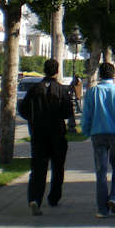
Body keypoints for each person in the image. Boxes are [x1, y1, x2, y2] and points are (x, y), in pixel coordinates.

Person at [18, 59, 74, 216]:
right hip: (57, 133)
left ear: (44, 70)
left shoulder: (35, 89)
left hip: (39, 133)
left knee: (38, 168)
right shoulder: (61, 90)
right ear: (57, 71)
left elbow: (23, 109)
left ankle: (35, 198)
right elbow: (67, 112)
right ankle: (54, 197)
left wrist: (33, 119)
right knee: (58, 167)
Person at [82, 63, 115, 218]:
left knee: (101, 171)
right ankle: (114, 197)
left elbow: (86, 116)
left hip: (97, 134)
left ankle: (102, 209)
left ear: (100, 74)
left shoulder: (92, 93)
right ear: (113, 76)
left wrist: (86, 131)